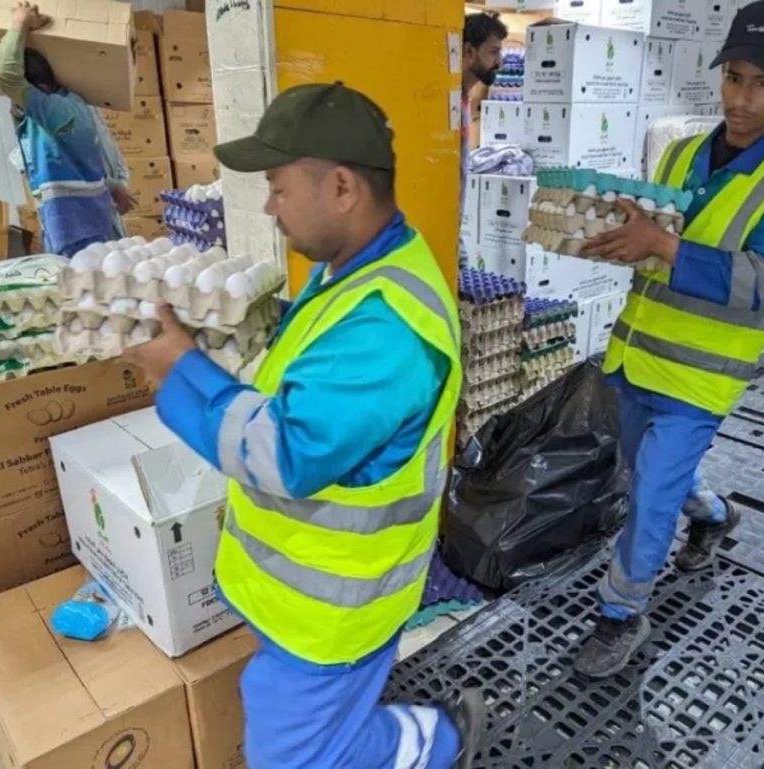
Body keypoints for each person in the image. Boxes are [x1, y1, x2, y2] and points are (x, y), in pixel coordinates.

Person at [122, 82, 483, 768]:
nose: (269, 206)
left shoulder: (387, 326)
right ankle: (431, 739)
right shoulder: (352, 272)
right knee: (307, 738)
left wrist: (182, 369)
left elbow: (286, 452)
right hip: (303, 597)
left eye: (279, 187)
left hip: (336, 608)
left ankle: (438, 740)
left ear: (342, 187)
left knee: (294, 757)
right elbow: (309, 378)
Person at [573, 0, 764, 678]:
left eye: (761, 84)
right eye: (733, 78)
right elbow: (654, 238)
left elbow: (757, 281)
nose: (740, 99)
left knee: (651, 496)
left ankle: (620, 613)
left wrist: (660, 244)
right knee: (647, 475)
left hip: (699, 378)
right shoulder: (682, 153)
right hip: (636, 356)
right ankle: (716, 515)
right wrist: (614, 233)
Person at [0, 1, 135, 256]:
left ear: (41, 90)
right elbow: (84, 171)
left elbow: (4, 74)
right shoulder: (74, 105)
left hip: (75, 231)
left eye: (20, 96)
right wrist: (115, 186)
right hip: (88, 223)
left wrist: (20, 23)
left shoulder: (54, 113)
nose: (15, 102)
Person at [459, 12, 507, 264]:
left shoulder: (463, 99)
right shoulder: (446, 101)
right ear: (469, 51)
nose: (499, 62)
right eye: (493, 52)